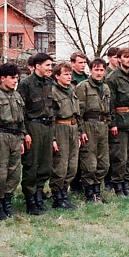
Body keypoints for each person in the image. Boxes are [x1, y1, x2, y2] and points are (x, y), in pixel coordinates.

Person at [0, 63, 31, 218]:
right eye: (12, 78)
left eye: (17, 78)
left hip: (14, 136)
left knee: (14, 173)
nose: (15, 81)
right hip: (0, 135)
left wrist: (22, 137)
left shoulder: (17, 96)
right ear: (2, 78)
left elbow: (21, 120)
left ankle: (7, 203)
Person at [19, 53, 55, 214]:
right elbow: (21, 111)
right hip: (32, 127)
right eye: (47, 65)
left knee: (46, 165)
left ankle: (39, 195)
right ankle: (30, 200)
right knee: (31, 165)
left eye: (51, 65)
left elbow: (51, 109)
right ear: (37, 66)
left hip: (47, 128)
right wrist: (25, 133)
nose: (50, 68)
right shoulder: (26, 84)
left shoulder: (49, 83)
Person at [105, 48, 129, 196]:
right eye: (125, 57)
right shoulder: (112, 78)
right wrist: (112, 123)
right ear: (119, 59)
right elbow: (110, 103)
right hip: (120, 122)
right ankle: (117, 185)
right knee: (120, 157)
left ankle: (126, 184)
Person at [75, 58, 112, 203]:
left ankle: (98, 192)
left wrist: (107, 124)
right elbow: (78, 112)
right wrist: (81, 130)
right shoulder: (83, 87)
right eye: (96, 70)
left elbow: (108, 109)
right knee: (89, 163)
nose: (99, 73)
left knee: (104, 163)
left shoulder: (106, 88)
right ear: (90, 71)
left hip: (102, 126)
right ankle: (89, 193)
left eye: (102, 70)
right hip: (88, 125)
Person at [49, 62, 80, 211]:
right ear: (57, 76)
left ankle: (64, 193)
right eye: (65, 74)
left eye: (70, 74)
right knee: (60, 165)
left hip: (73, 128)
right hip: (60, 127)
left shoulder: (72, 90)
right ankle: (57, 196)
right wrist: (53, 139)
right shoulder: (53, 92)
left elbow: (77, 113)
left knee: (72, 165)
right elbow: (51, 117)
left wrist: (79, 133)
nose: (69, 77)